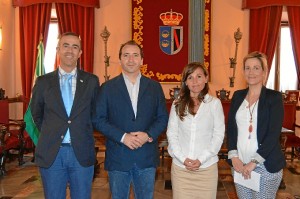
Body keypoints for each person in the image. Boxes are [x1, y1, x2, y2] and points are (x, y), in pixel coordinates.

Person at [92, 40, 168, 199]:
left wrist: (147, 135)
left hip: (146, 156)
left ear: (142, 60)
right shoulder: (107, 88)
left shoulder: (154, 87)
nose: (131, 59)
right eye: (126, 55)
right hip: (118, 157)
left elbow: (162, 118)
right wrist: (123, 137)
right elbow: (98, 119)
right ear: (120, 60)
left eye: (135, 55)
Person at [30, 32, 100, 199]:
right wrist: (52, 131)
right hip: (52, 154)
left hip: (81, 153)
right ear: (58, 50)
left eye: (75, 47)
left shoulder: (91, 81)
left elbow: (95, 114)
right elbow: (36, 115)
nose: (70, 50)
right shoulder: (42, 82)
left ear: (80, 53)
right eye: (66, 45)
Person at [227, 51, 286, 198]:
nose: (251, 72)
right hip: (240, 165)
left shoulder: (274, 98)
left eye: (256, 68)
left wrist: (253, 163)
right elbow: (231, 129)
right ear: (243, 71)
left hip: (265, 166)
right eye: (247, 68)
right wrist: (234, 157)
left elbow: (273, 135)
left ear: (264, 71)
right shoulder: (237, 96)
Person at [166, 62, 225, 198]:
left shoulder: (214, 104)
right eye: (190, 77)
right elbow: (172, 133)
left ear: (205, 78)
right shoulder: (177, 103)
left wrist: (201, 159)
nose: (195, 81)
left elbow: (218, 135)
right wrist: (182, 158)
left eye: (199, 76)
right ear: (185, 82)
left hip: (206, 170)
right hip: (181, 170)